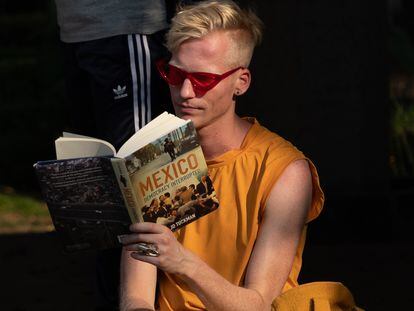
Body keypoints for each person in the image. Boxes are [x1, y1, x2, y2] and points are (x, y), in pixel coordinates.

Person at [119, 1, 324, 310]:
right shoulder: (156, 154)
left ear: (240, 82)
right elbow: (136, 297)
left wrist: (183, 263)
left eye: (203, 80)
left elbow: (258, 305)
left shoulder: (283, 170)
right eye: (174, 74)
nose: (185, 92)